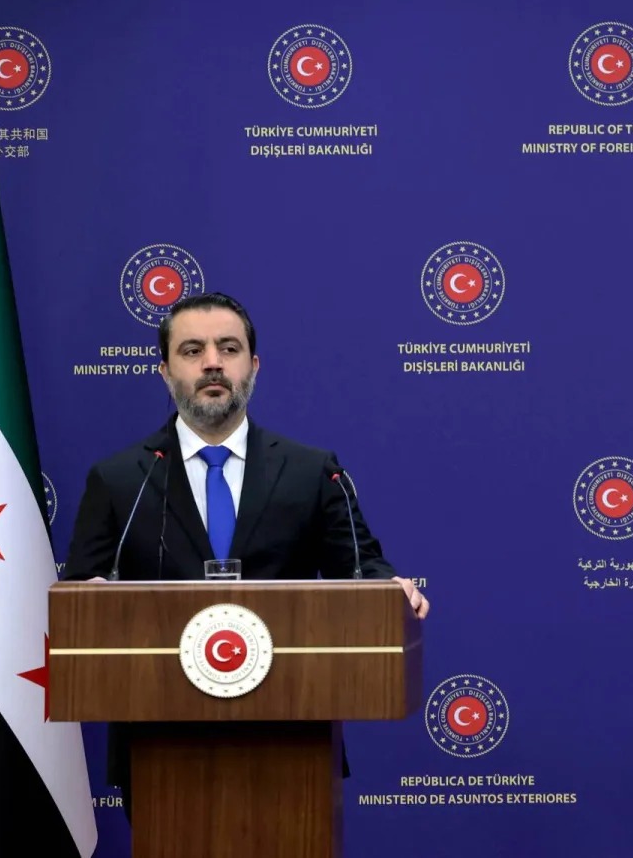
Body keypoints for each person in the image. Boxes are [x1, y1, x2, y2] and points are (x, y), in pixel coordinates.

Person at [60, 291, 429, 818]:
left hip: (292, 738)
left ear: (253, 366)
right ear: (165, 372)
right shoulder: (120, 480)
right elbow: (80, 595)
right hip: (159, 745)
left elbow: (362, 569)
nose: (213, 362)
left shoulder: (312, 471)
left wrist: (389, 590)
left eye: (228, 348)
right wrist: (90, 599)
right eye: (193, 350)